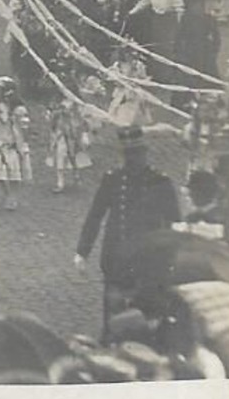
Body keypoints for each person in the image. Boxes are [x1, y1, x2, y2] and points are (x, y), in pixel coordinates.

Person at [75, 126, 182, 342]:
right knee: (112, 318)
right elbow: (95, 215)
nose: (133, 159)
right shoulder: (112, 180)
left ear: (144, 153)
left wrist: (172, 259)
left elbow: (174, 221)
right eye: (128, 154)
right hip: (116, 259)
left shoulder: (160, 182)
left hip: (148, 262)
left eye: (137, 153)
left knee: (145, 319)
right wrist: (82, 251)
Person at [0, 77, 34, 210]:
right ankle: (7, 193)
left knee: (14, 172)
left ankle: (13, 196)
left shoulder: (19, 109)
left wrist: (20, 142)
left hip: (12, 143)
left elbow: (24, 128)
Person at [46, 96, 95, 194]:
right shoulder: (57, 106)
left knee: (73, 157)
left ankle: (76, 174)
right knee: (60, 157)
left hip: (73, 136)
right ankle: (60, 183)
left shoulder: (77, 104)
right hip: (61, 136)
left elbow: (83, 121)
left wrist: (83, 134)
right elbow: (52, 121)